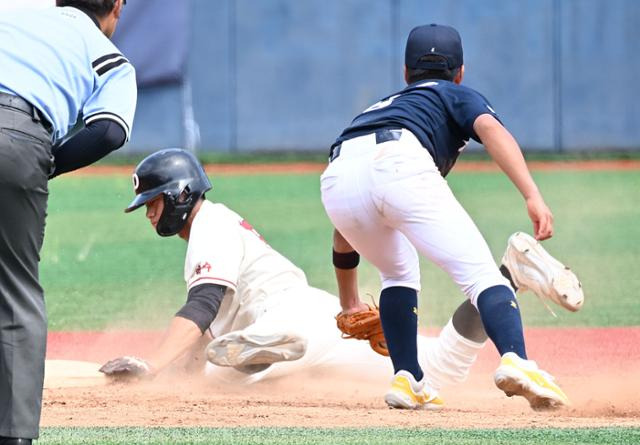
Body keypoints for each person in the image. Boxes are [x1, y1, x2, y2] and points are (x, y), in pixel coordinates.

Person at [99, 149, 582, 409]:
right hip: (314, 318)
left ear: (181, 194)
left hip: (287, 319)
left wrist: (152, 368)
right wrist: (175, 377)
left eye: (154, 202)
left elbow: (201, 306)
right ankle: (510, 274)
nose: (148, 213)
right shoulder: (218, 225)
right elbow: (205, 325)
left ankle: (254, 353)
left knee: (218, 380)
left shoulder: (209, 227)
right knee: (438, 371)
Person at [320, 24, 582, 411]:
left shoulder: (378, 109)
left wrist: (350, 302)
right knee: (481, 276)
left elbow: (344, 233)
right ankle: (517, 360)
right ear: (460, 71)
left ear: (406, 74)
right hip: (400, 162)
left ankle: (408, 379)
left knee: (397, 273)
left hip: (336, 178)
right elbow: (491, 129)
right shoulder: (453, 92)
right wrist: (532, 194)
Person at [0, 1, 135, 442]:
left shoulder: (12, 16)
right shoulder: (108, 56)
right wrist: (43, 163)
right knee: (15, 292)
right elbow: (109, 130)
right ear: (115, 6)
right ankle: (14, 436)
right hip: (18, 138)